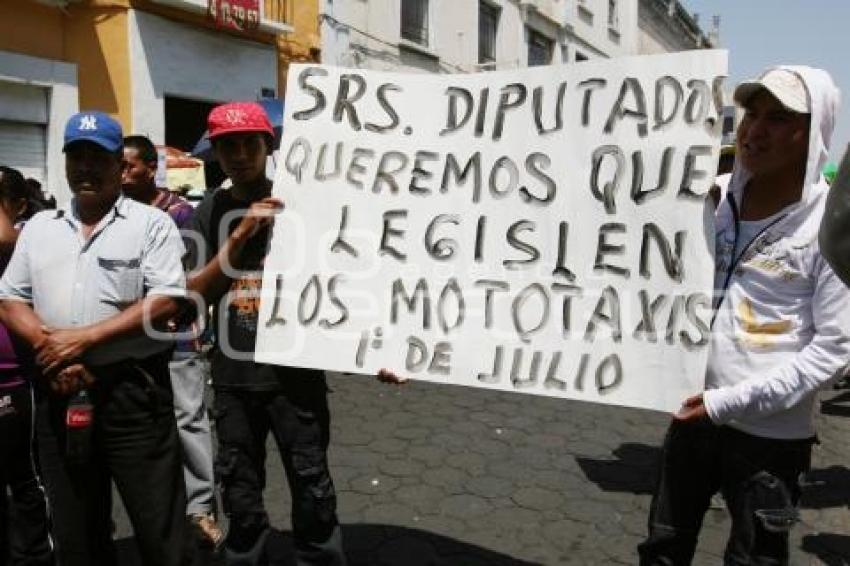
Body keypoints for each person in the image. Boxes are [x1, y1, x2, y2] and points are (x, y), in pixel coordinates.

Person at [638, 66, 850, 565]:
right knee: (662, 547)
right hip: (690, 416)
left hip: (771, 442)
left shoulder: (831, 226)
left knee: (755, 559)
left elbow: (835, 351)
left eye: (778, 118)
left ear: (813, 130)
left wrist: (727, 402)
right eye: (752, 114)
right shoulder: (710, 197)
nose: (756, 129)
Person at [0, 111, 189, 566]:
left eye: (97, 157)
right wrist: (56, 352)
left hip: (133, 396)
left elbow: (166, 299)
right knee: (77, 533)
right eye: (76, 156)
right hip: (59, 391)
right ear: (65, 163)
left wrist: (82, 340)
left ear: (119, 167)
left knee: (160, 530)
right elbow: (9, 300)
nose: (86, 167)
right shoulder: (39, 229)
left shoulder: (151, 224)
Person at [187, 101, 349, 565]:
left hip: (295, 378)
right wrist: (239, 235)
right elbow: (195, 292)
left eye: (248, 144)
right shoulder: (209, 210)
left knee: (313, 488)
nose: (239, 155)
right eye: (227, 146)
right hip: (234, 379)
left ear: (268, 146)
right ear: (216, 153)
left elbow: (344, 279)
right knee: (240, 491)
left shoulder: (302, 202)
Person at [122, 134, 224, 548]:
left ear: (150, 168)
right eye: (120, 166)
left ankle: (200, 507)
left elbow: (192, 276)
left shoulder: (181, 214)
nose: (123, 173)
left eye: (130, 166)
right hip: (132, 336)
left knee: (189, 417)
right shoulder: (119, 215)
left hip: (179, 333)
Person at [0, 165, 53, 565]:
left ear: (18, 206)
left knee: (25, 480)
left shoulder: (26, 242)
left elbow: (3, 236)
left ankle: (36, 556)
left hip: (16, 383)